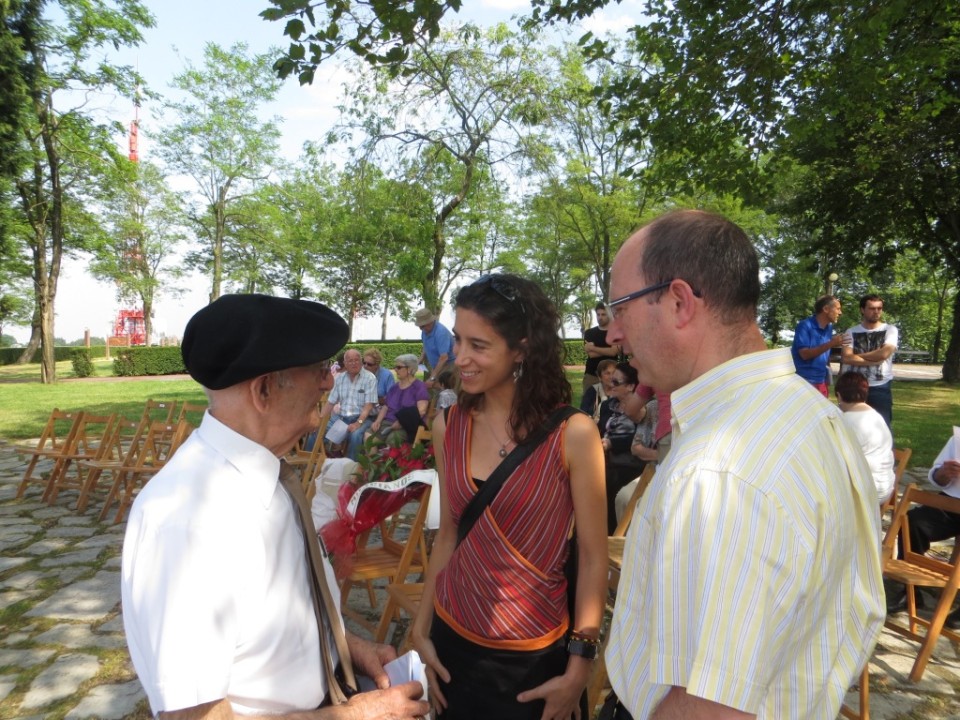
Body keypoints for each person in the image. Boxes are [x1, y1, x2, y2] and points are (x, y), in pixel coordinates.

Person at [603, 209, 884, 720]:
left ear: (679, 302)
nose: (613, 334)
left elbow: (709, 708)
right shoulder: (808, 412)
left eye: (619, 309)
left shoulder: (717, 472)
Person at [121, 294, 429, 720]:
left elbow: (277, 615)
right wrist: (354, 717)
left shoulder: (266, 471)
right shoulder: (189, 522)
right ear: (264, 390)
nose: (327, 383)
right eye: (319, 369)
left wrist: (345, 647)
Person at [410, 273, 607, 720]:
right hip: (451, 644)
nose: (460, 358)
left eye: (478, 345)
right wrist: (421, 631)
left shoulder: (573, 434)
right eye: (458, 340)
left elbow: (594, 557)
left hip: (532, 659)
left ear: (521, 350)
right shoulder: (448, 426)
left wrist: (579, 665)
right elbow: (450, 534)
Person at [886, 433, 960, 628]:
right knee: (913, 522)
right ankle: (911, 591)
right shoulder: (958, 439)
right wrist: (943, 473)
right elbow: (936, 476)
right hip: (952, 501)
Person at [598, 362, 646, 533]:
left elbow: (642, 438)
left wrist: (612, 443)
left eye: (616, 382)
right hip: (604, 460)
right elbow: (600, 430)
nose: (610, 385)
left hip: (630, 464)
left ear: (631, 386)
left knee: (608, 485)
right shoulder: (607, 406)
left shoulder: (643, 409)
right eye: (610, 380)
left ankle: (612, 535)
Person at [835, 371, 895, 505]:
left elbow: (834, 460)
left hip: (863, 493)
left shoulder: (844, 422)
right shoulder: (877, 417)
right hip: (885, 487)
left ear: (839, 396)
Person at [841, 294, 899, 427]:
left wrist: (857, 356)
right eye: (872, 308)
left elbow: (884, 354)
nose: (876, 312)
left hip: (880, 386)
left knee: (882, 426)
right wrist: (874, 360)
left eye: (879, 308)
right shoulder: (851, 331)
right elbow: (847, 357)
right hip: (854, 386)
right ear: (862, 310)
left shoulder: (890, 330)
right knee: (852, 426)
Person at [323, 348, 378, 460]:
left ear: (361, 361)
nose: (354, 363)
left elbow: (368, 406)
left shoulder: (370, 378)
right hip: (342, 418)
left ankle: (351, 465)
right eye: (350, 361)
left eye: (356, 360)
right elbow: (330, 402)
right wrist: (319, 419)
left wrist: (358, 423)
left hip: (363, 418)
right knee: (318, 429)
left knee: (355, 435)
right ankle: (311, 463)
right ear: (345, 363)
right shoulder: (340, 378)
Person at [791, 294, 844, 396]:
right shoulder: (805, 325)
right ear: (826, 309)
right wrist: (832, 343)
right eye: (838, 309)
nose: (840, 312)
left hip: (821, 381)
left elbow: (824, 354)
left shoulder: (829, 327)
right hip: (804, 381)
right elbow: (804, 354)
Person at [370, 353, 430, 442]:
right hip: (388, 422)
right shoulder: (394, 387)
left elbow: (421, 411)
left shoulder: (419, 387)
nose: (395, 370)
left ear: (409, 369)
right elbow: (386, 406)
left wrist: (402, 422)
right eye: (395, 367)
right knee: (369, 436)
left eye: (399, 367)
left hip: (408, 426)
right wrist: (378, 421)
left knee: (393, 440)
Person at [582, 302, 620, 390]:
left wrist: (593, 348)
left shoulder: (615, 332)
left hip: (611, 375)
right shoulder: (589, 333)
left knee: (611, 399)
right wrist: (609, 350)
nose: (600, 317)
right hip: (591, 375)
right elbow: (591, 354)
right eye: (598, 314)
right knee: (589, 398)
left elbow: (614, 352)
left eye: (603, 314)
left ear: (609, 315)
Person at [416, 307, 455, 388]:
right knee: (435, 388)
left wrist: (432, 378)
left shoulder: (441, 332)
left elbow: (444, 358)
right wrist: (420, 360)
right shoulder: (424, 331)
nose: (420, 329)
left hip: (450, 365)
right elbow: (426, 346)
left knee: (446, 388)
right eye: (420, 326)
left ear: (430, 322)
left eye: (422, 326)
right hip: (437, 365)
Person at [579, 357, 617, 422]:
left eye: (614, 373)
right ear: (600, 377)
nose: (611, 377)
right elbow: (583, 412)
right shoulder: (592, 391)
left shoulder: (621, 392)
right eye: (607, 373)